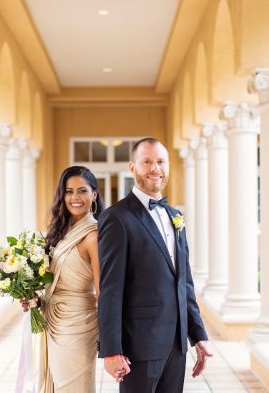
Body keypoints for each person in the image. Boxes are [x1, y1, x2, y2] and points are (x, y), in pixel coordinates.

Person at [97, 137, 213, 392]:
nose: (155, 169)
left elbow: (184, 282)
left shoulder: (175, 216)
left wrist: (198, 335)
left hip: (176, 346)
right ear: (132, 167)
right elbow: (110, 289)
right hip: (138, 346)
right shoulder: (116, 218)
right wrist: (111, 350)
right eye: (146, 161)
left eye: (160, 161)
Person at [20, 166, 106, 393]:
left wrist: (110, 341)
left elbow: (102, 289)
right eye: (69, 191)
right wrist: (35, 299)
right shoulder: (61, 231)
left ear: (94, 194)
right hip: (52, 319)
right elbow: (55, 280)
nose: (75, 198)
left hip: (79, 325)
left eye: (82, 191)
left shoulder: (94, 235)